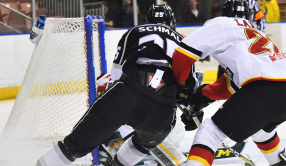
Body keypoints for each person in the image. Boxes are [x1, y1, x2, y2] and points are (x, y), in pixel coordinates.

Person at [36, 5, 191, 166]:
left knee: (72, 146)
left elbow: (116, 75)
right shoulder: (184, 41)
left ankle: (106, 149)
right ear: (172, 23)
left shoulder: (135, 32)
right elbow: (188, 90)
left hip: (122, 104)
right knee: (162, 135)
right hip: (160, 115)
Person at [171, 0, 286, 165]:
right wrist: (203, 96)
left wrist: (183, 88)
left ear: (222, 14)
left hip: (265, 89)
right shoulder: (255, 33)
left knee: (210, 133)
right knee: (262, 131)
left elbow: (182, 56)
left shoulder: (221, 24)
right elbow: (231, 84)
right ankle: (279, 163)